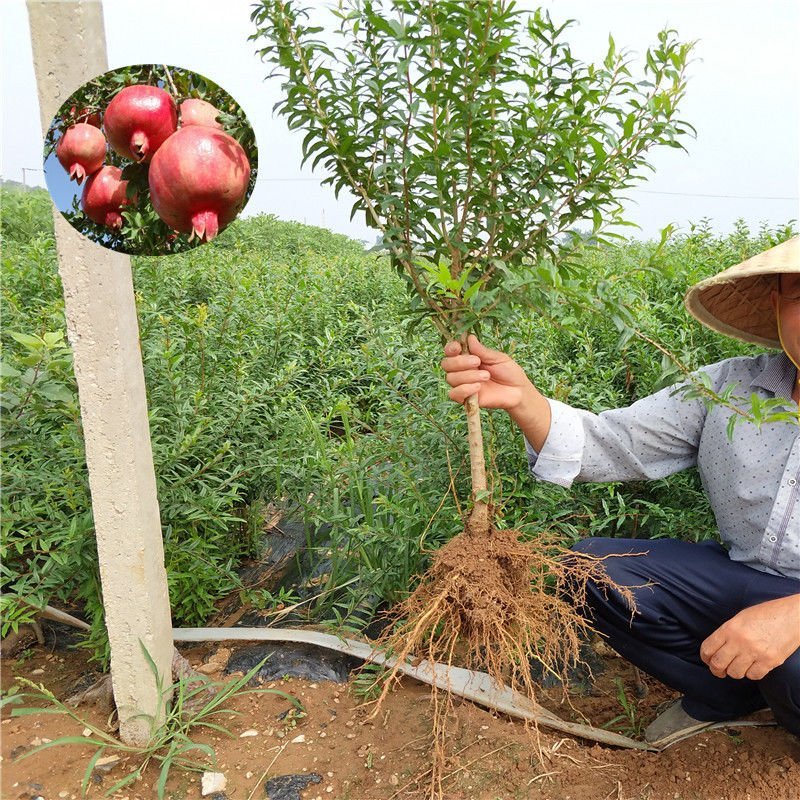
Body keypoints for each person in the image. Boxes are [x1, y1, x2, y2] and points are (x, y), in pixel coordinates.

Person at [441, 237, 800, 746]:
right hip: (742, 575)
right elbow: (611, 444)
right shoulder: (730, 388)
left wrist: (793, 618)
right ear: (776, 306)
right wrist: (524, 399)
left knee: (796, 670)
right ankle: (726, 696)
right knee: (586, 572)